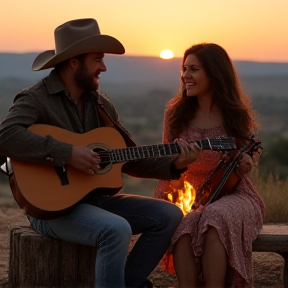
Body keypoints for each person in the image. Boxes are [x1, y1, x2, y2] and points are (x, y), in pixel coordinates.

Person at [0, 18, 201, 288]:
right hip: (51, 211)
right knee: (116, 229)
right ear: (74, 62)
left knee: (170, 215)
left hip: (94, 202)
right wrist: (67, 153)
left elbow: (127, 158)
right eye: (97, 60)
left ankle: (126, 282)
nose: (103, 67)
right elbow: (6, 136)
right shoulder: (36, 98)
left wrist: (175, 163)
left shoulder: (101, 104)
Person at [154, 43, 265, 288]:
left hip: (232, 193)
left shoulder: (234, 113)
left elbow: (250, 151)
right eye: (184, 69)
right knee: (184, 221)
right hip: (189, 193)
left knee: (214, 216)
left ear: (215, 73)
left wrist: (248, 162)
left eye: (194, 69)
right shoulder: (175, 112)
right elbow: (165, 163)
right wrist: (179, 165)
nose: (185, 76)